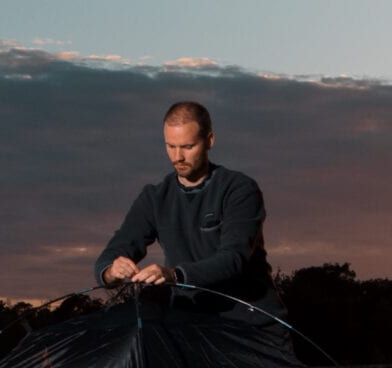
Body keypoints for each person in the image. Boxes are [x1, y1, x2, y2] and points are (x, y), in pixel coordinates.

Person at [95, 101, 284, 318]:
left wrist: (174, 275)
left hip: (251, 321)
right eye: (170, 146)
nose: (178, 157)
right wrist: (112, 271)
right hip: (192, 323)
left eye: (187, 147)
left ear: (209, 140)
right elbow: (111, 254)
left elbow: (233, 258)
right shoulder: (154, 197)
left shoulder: (239, 189)